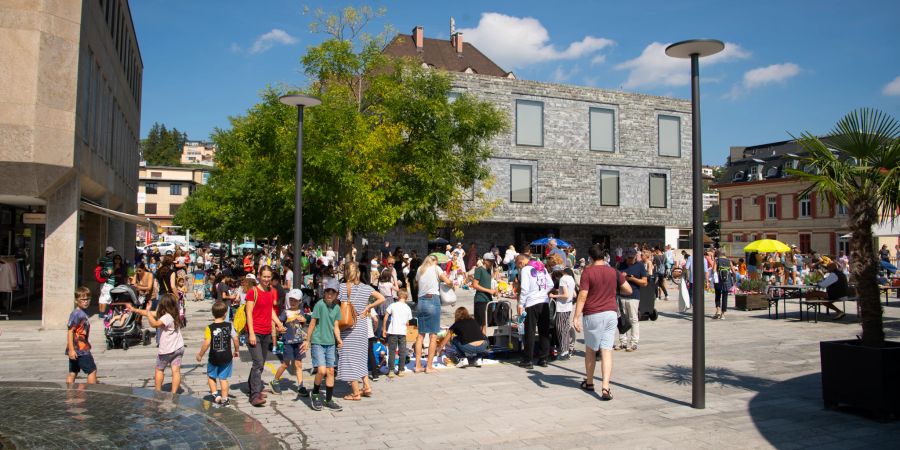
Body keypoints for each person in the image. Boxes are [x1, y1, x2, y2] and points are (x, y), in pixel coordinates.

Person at [573, 245, 631, 401]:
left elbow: (583, 296)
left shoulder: (588, 272)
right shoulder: (613, 271)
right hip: (611, 313)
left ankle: (590, 382)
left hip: (593, 313)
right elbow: (628, 289)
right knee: (606, 350)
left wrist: (576, 316)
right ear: (605, 257)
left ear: (590, 257)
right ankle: (605, 386)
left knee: (591, 349)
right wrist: (613, 290)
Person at [338, 262, 385, 401]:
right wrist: (368, 307)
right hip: (362, 326)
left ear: (346, 272)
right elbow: (381, 298)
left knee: (348, 358)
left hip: (349, 327)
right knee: (360, 358)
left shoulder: (342, 287)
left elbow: (339, 305)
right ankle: (367, 386)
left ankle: (355, 392)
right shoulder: (366, 287)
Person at [245, 266, 287, 406]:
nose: (267, 279)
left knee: (261, 363)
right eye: (264, 276)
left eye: (269, 277)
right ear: (259, 276)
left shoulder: (270, 291)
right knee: (258, 362)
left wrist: (279, 324)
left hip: (266, 332)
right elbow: (248, 313)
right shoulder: (253, 292)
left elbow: (270, 311)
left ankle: (252, 387)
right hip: (254, 332)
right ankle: (255, 396)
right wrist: (251, 332)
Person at [130, 293, 184, 393]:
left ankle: (158, 392)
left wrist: (149, 314)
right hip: (178, 348)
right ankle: (174, 393)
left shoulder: (167, 317)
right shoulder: (176, 313)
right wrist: (135, 310)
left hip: (167, 350)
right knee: (176, 371)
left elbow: (154, 324)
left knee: (159, 369)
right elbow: (150, 313)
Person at [304, 278, 343, 411]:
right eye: (328, 291)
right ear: (324, 292)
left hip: (330, 343)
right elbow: (312, 323)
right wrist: (307, 341)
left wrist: (338, 339)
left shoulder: (337, 307)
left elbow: (336, 326)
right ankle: (315, 393)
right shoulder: (319, 305)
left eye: (333, 292)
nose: (330, 294)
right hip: (318, 342)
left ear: (337, 294)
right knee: (321, 370)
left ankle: (328, 400)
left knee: (331, 371)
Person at [414, 255, 454, 373]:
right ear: (434, 261)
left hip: (421, 301)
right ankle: (429, 366)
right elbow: (447, 281)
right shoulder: (436, 269)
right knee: (433, 335)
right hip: (432, 300)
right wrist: (451, 284)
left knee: (420, 335)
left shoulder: (420, 269)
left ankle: (417, 365)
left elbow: (417, 282)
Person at [195, 301, 239, 406]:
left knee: (211, 376)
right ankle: (225, 399)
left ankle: (215, 395)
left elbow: (206, 343)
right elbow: (236, 339)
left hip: (214, 357)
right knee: (223, 378)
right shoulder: (229, 325)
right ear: (225, 313)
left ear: (213, 313)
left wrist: (200, 354)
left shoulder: (209, 327)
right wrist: (236, 350)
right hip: (226, 357)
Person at [515, 254, 552, 369]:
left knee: (530, 331)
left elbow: (525, 288)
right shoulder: (542, 267)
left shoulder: (526, 270)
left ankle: (528, 360)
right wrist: (542, 292)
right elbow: (550, 284)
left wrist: (521, 304)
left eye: (518, 266)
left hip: (532, 303)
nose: (519, 268)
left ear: (521, 262)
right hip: (544, 302)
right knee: (544, 331)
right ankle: (543, 358)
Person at [271, 289, 309, 397]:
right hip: (287, 342)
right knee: (285, 364)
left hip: (299, 342)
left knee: (298, 364)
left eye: (295, 301)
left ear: (300, 301)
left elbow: (303, 326)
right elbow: (278, 324)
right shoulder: (285, 312)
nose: (293, 302)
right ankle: (275, 380)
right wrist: (279, 329)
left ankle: (301, 386)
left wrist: (304, 321)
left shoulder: (301, 312)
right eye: (291, 300)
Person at [616, 248, 647, 352]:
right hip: (621, 295)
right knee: (621, 319)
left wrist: (632, 279)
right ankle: (623, 342)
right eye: (628, 257)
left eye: (632, 257)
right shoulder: (620, 265)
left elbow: (644, 282)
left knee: (633, 319)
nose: (630, 260)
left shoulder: (640, 266)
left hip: (634, 296)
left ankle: (634, 343)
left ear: (635, 256)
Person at [67, 286, 97, 384]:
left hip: (79, 348)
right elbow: (70, 331)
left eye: (88, 299)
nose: (86, 301)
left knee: (73, 372)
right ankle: (92, 393)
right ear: (76, 301)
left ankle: (69, 394)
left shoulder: (83, 313)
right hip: (80, 350)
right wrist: (71, 350)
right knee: (92, 371)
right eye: (83, 299)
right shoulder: (77, 314)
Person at [382, 290, 412, 378]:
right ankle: (401, 370)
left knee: (392, 351)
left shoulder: (392, 305)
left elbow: (385, 317)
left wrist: (384, 329)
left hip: (392, 331)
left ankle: (391, 370)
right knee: (402, 352)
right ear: (406, 298)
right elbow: (407, 322)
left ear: (398, 297)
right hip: (402, 332)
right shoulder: (408, 308)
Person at [549, 267, 576, 360]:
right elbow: (573, 294)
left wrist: (554, 295)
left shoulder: (563, 279)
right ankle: (567, 350)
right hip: (568, 307)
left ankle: (564, 351)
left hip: (562, 307)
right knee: (565, 328)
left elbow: (565, 295)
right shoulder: (571, 278)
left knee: (561, 329)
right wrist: (559, 291)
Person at [471, 252, 498, 335]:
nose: (492, 263)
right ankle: (481, 343)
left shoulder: (489, 270)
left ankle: (484, 342)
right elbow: (475, 285)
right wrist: (488, 291)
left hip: (488, 299)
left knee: (486, 323)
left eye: (493, 261)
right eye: (490, 261)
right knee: (481, 324)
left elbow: (487, 284)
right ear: (485, 260)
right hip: (480, 299)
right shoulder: (479, 270)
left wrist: (494, 292)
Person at [713, 251, 734, 320]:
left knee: (717, 295)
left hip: (718, 281)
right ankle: (723, 314)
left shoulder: (717, 260)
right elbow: (733, 271)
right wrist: (734, 279)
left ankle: (718, 311)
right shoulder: (729, 261)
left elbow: (714, 270)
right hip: (727, 282)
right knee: (725, 297)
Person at [97, 246, 116, 314]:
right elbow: (109, 272)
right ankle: (104, 313)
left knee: (102, 297)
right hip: (108, 282)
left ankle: (101, 313)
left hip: (102, 281)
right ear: (112, 253)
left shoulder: (101, 259)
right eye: (113, 252)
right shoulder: (109, 261)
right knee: (107, 297)